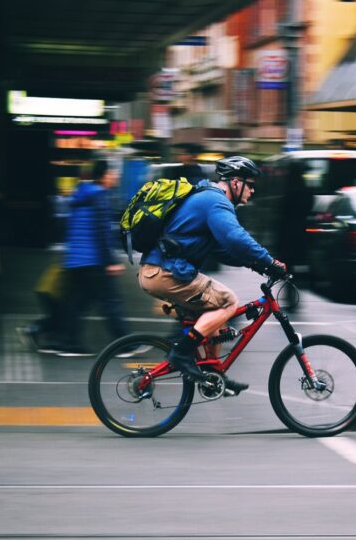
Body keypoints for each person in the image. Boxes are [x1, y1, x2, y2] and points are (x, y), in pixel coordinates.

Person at [137, 155, 286, 392]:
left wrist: (256, 265)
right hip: (164, 273)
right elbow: (235, 237)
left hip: (162, 271)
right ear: (236, 183)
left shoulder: (207, 197)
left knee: (213, 311)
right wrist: (269, 261)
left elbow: (222, 250)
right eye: (250, 184)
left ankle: (213, 374)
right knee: (228, 301)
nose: (253, 191)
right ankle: (182, 353)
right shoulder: (215, 201)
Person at [53, 159, 128, 357]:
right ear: (104, 176)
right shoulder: (99, 196)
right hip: (93, 260)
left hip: (76, 258)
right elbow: (102, 232)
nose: (115, 177)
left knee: (78, 302)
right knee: (110, 301)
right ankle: (125, 343)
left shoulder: (80, 194)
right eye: (112, 173)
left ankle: (67, 342)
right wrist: (111, 261)